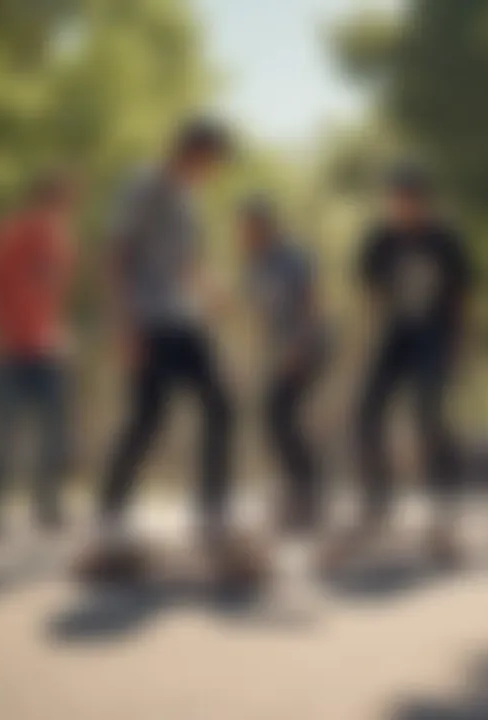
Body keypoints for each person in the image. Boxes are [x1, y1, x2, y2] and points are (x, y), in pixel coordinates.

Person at [78, 118, 248, 584]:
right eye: (210, 162)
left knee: (221, 404)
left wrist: (216, 294)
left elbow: (187, 263)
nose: (211, 172)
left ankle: (211, 512)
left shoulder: (189, 201)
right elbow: (115, 254)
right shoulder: (144, 184)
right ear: (190, 151)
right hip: (147, 321)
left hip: (182, 320)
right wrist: (123, 326)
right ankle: (110, 519)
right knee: (147, 418)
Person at [351, 163, 472, 562]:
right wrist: (366, 346)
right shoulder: (380, 240)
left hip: (434, 334)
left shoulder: (445, 240)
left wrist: (459, 345)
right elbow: (370, 298)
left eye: (408, 201)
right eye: (395, 201)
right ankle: (378, 500)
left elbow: (461, 299)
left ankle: (445, 503)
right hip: (395, 335)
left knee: (428, 414)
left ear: (423, 202)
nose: (401, 208)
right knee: (367, 412)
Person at [0, 171, 77, 538]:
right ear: (41, 198)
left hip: (46, 347)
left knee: (55, 429)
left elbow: (54, 297)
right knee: (3, 431)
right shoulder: (13, 233)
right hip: (8, 347)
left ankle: (47, 505)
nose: (62, 209)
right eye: (58, 200)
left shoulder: (63, 242)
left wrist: (60, 335)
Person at [239, 196, 328, 533]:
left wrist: (299, 346)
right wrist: (266, 355)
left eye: (250, 229)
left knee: (279, 413)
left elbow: (311, 302)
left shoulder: (291, 257)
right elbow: (261, 315)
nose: (245, 236)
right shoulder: (253, 265)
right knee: (278, 416)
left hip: (311, 344)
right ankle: (301, 491)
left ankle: (307, 494)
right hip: (284, 349)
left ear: (266, 227)